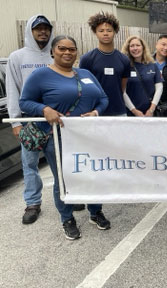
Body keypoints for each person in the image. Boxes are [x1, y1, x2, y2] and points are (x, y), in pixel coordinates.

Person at [19, 35, 110, 239]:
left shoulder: (85, 73)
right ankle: (67, 218)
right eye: (62, 48)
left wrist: (96, 112)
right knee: (64, 179)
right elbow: (24, 101)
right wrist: (44, 109)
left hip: (88, 136)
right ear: (53, 51)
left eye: (72, 49)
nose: (67, 52)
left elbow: (103, 98)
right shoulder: (41, 75)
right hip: (58, 138)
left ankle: (95, 212)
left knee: (92, 174)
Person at [6, 14, 55, 224]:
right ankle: (33, 203)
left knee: (59, 163)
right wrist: (16, 121)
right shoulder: (17, 57)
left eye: (46, 28)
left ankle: (66, 197)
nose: (43, 32)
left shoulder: (56, 54)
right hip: (30, 121)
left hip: (55, 120)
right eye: (38, 28)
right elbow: (13, 90)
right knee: (30, 165)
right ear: (30, 31)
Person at [79, 12, 131, 116]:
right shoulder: (87, 59)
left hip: (119, 111)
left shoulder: (124, 59)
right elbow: (84, 87)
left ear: (115, 32)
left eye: (109, 30)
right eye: (101, 31)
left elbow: (122, 87)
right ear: (95, 32)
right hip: (95, 112)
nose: (105, 33)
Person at [121, 35, 163, 116]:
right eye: (132, 46)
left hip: (150, 113)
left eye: (138, 45)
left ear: (143, 47)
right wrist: (134, 111)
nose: (135, 48)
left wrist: (151, 110)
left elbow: (159, 88)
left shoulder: (152, 65)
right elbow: (123, 92)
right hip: (130, 113)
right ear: (128, 49)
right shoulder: (125, 67)